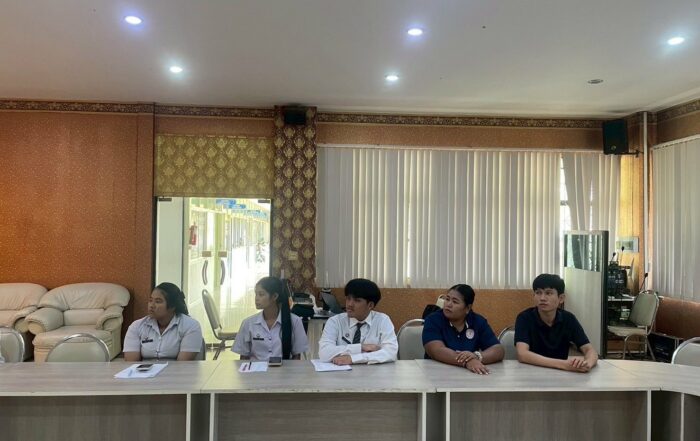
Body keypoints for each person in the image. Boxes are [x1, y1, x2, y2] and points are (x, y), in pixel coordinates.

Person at [515, 273, 599, 373]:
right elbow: (522, 354)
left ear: (561, 298)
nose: (542, 298)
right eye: (538, 293)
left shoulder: (569, 319)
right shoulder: (524, 318)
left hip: (560, 374)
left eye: (548, 293)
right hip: (530, 372)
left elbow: (589, 350)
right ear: (534, 296)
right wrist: (564, 365)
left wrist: (587, 364)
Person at [422, 284, 504, 374]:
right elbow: (437, 350)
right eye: (447, 299)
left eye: (455, 302)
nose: (448, 304)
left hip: (469, 375)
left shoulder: (478, 321)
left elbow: (498, 350)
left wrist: (477, 356)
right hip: (437, 373)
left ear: (468, 308)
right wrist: (467, 361)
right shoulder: (433, 320)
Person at [318, 278, 398, 365]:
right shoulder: (335, 321)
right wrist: (360, 348)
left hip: (373, 372)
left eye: (357, 300)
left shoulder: (382, 320)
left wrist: (353, 359)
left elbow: (391, 352)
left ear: (370, 305)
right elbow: (324, 353)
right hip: (340, 372)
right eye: (348, 298)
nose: (349, 304)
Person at [232, 276, 309, 360]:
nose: (256, 298)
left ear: (274, 296)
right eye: (256, 294)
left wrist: (289, 369)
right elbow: (243, 357)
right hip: (256, 368)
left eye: (261, 294)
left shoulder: (295, 321)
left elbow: (297, 356)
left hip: (284, 368)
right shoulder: (248, 323)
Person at [124, 282, 203, 361]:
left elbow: (183, 364)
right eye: (150, 300)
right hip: (145, 369)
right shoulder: (136, 326)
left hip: (176, 369)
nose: (151, 305)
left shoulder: (190, 326)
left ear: (172, 306)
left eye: (158, 301)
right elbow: (131, 362)